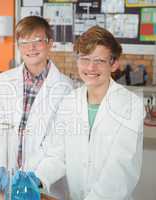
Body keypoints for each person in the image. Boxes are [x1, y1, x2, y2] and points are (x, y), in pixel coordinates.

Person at [42, 26, 144, 199]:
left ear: (114, 64)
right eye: (85, 59)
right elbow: (57, 155)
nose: (90, 67)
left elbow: (118, 170)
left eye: (99, 60)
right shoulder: (69, 102)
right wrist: (37, 178)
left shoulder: (130, 105)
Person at [0, 16, 72, 199]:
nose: (31, 48)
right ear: (18, 46)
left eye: (37, 41)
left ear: (50, 43)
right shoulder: (5, 81)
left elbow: (61, 147)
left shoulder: (66, 89)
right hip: (8, 182)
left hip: (43, 188)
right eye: (24, 42)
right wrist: (1, 165)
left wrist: (37, 178)